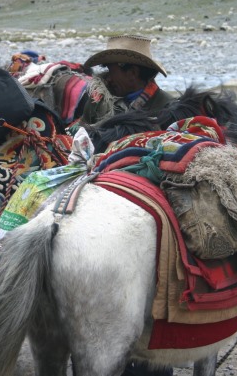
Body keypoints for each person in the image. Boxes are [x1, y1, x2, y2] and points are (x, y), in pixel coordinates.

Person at [83, 34, 176, 376]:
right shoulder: (103, 102)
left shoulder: (168, 109)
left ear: (133, 71)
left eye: (112, 69)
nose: (106, 76)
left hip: (151, 212)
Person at [80, 34, 175, 125]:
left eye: (111, 71)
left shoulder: (168, 110)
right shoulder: (99, 103)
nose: (108, 79)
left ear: (132, 73)